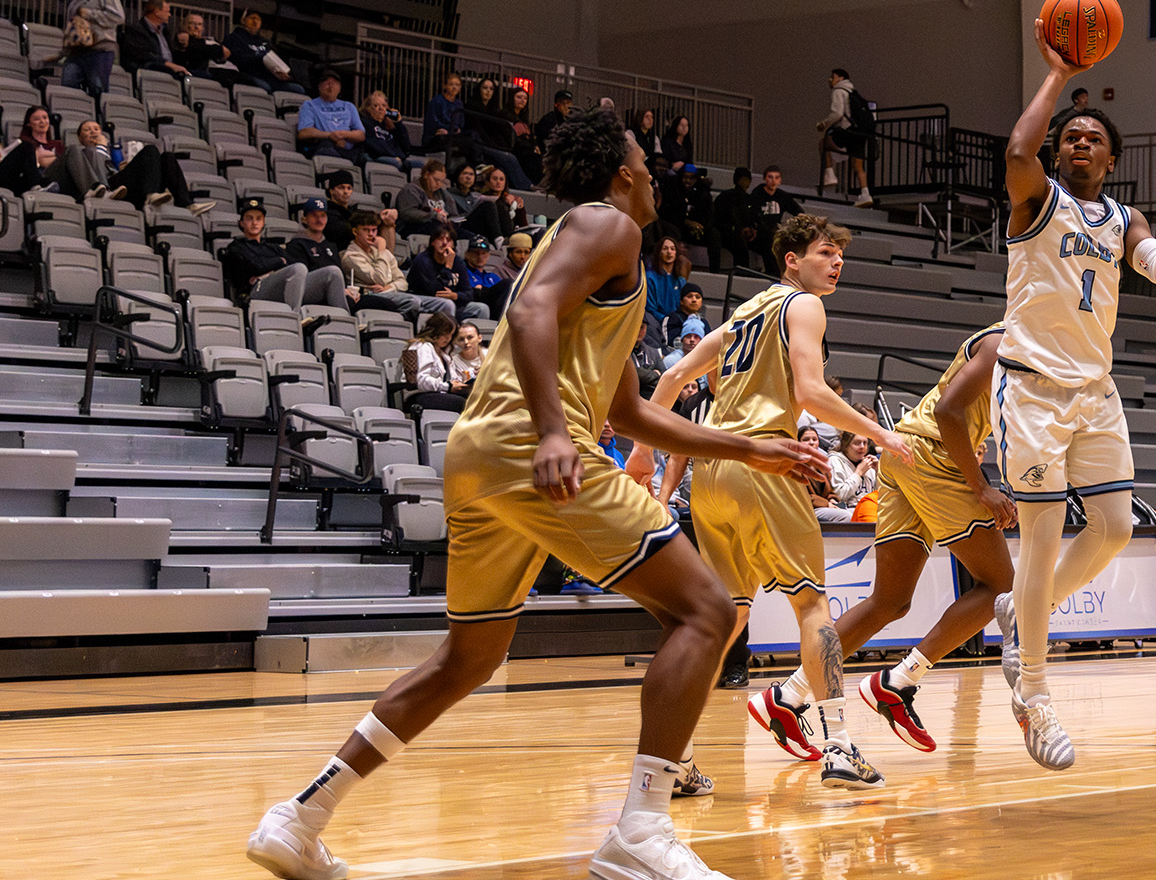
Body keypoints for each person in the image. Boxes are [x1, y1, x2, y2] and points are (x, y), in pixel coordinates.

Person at [248, 105, 827, 880]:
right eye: (644, 163)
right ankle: (642, 828)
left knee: (467, 658)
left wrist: (754, 446)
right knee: (709, 611)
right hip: (535, 448)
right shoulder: (608, 225)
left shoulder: (591, 254)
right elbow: (526, 311)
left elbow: (628, 410)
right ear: (621, 173)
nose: (653, 174)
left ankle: (299, 817)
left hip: (479, 455)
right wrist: (555, 430)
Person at [988, 17, 1156, 772]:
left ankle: (1022, 612)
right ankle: (1033, 693)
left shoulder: (1125, 219)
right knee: (1043, 537)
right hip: (1031, 390)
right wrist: (1058, 74)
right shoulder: (1036, 199)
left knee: (1117, 528)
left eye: (1093, 138)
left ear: (1112, 159)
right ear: (1058, 153)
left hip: (1094, 392)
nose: (1080, 143)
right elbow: (1016, 152)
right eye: (1071, 137)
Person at [648, 212, 908, 791]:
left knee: (725, 617)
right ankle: (839, 745)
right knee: (812, 606)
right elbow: (811, 391)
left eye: (840, 255)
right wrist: (881, 434)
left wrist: (643, 452)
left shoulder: (742, 315)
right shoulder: (804, 305)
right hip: (765, 460)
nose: (837, 263)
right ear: (792, 260)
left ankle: (676, 759)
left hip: (713, 471)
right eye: (825, 253)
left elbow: (671, 380)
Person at [774, 324, 1016, 755]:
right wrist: (981, 487)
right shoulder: (1004, 342)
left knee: (889, 601)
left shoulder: (1021, 346)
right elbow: (947, 411)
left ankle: (788, 695)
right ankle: (899, 681)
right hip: (933, 453)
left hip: (905, 452)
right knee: (1000, 585)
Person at [220, 197, 348, 310]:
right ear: (241, 223)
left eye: (258, 218)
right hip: (255, 291)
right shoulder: (236, 246)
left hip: (280, 287)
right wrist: (280, 261)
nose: (254, 222)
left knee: (333, 272)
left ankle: (344, 319)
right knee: (298, 268)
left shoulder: (271, 246)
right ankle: (294, 316)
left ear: (263, 222)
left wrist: (269, 270)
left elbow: (290, 263)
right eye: (249, 218)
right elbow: (257, 266)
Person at [60, 120, 209, 212]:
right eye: (87, 130)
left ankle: (186, 203)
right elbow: (97, 173)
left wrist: (124, 168)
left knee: (167, 157)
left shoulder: (110, 153)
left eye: (96, 129)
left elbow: (114, 171)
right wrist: (101, 146)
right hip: (106, 189)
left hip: (125, 188)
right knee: (151, 150)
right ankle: (150, 194)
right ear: (79, 137)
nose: (93, 132)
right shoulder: (80, 153)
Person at [340, 210, 458, 322]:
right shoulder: (351, 256)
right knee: (412, 301)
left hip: (392, 292)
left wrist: (389, 287)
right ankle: (405, 329)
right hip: (369, 295)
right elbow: (379, 278)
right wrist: (381, 249)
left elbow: (403, 282)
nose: (371, 234)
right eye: (366, 230)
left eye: (374, 230)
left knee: (446, 304)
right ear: (355, 232)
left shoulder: (383, 253)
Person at [60, 0, 123, 96]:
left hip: (99, 50)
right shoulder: (76, 0)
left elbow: (118, 17)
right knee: (68, 88)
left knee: (97, 90)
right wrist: (64, 51)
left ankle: (97, 110)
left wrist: (89, 14)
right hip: (76, 51)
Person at [283, 198, 359, 307]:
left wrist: (349, 291)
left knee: (372, 302)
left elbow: (341, 276)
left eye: (323, 215)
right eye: (314, 215)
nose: (319, 220)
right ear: (304, 219)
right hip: (310, 295)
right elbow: (300, 280)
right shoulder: (297, 244)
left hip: (334, 293)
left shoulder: (331, 246)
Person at [406, 226, 492, 322]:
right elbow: (437, 292)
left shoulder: (458, 261)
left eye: (448, 240)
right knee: (447, 304)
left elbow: (469, 293)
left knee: (482, 308)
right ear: (432, 242)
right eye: (440, 239)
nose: (444, 243)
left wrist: (455, 295)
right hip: (424, 301)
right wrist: (447, 267)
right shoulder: (422, 260)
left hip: (451, 301)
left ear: (453, 245)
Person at [816, 68, 874, 207]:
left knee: (824, 143)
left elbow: (837, 113)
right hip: (860, 133)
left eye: (833, 77)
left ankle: (829, 174)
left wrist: (823, 124)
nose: (830, 80)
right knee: (858, 166)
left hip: (847, 131)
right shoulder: (854, 92)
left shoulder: (839, 91)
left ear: (841, 78)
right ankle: (865, 194)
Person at [223, 9, 304, 95]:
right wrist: (259, 56)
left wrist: (282, 72)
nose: (255, 22)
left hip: (270, 78)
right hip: (248, 75)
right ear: (243, 20)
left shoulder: (264, 42)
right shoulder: (234, 38)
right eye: (252, 18)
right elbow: (237, 59)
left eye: (258, 20)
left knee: (298, 89)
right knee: (266, 87)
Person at [401, 312, 469, 414]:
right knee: (462, 404)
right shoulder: (422, 347)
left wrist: (460, 384)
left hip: (439, 393)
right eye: (445, 333)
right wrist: (448, 386)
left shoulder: (444, 354)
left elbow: (451, 379)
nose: (448, 338)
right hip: (418, 395)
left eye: (451, 334)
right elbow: (421, 381)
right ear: (435, 330)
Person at [296, 71, 367, 160]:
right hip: (324, 147)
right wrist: (330, 136)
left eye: (334, 82)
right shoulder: (309, 105)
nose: (330, 85)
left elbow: (361, 134)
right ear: (319, 86)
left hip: (350, 151)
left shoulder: (349, 106)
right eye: (327, 82)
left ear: (340, 88)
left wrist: (342, 135)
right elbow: (304, 133)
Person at [118, 0, 189, 79]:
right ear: (157, 12)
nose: (169, 15)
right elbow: (145, 55)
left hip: (167, 68)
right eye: (167, 11)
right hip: (149, 68)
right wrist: (168, 64)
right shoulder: (136, 30)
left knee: (199, 74)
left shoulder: (165, 32)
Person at [750, 167, 803, 273]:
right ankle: (773, 273)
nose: (773, 181)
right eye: (770, 177)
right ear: (765, 178)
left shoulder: (782, 196)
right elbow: (751, 214)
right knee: (770, 244)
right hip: (760, 233)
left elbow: (798, 211)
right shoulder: (757, 194)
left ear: (780, 180)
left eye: (776, 177)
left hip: (775, 232)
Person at [0, 106, 62, 195]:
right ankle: (35, 187)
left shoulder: (58, 144)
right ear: (29, 124)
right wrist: (51, 157)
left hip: (43, 180)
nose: (42, 121)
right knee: (27, 146)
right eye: (37, 119)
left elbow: (51, 162)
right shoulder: (23, 144)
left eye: (45, 118)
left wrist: (44, 157)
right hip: (14, 179)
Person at [711, 166, 761, 271]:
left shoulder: (750, 199)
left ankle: (773, 272)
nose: (745, 182)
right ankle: (742, 273)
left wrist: (753, 229)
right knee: (739, 243)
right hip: (728, 232)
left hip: (746, 233)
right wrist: (737, 229)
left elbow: (754, 217)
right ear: (737, 180)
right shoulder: (725, 197)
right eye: (743, 179)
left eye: (747, 180)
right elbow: (719, 218)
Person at [359, 91, 422, 173]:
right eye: (376, 106)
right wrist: (394, 155)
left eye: (384, 105)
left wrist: (398, 123)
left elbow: (406, 148)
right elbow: (373, 146)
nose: (381, 108)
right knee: (397, 163)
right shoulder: (365, 123)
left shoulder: (390, 126)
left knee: (422, 165)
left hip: (397, 158)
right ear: (368, 108)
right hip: (378, 157)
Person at [444, 161, 505, 244]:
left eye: (471, 174)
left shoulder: (474, 195)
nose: (468, 177)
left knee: (499, 205)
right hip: (461, 225)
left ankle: (508, 237)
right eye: (465, 173)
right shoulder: (448, 194)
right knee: (488, 205)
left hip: (477, 225)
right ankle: (499, 240)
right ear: (457, 176)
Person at [395, 159, 456, 239]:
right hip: (415, 227)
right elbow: (407, 213)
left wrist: (451, 221)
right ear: (426, 175)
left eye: (442, 181)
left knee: (467, 236)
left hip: (441, 227)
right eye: (436, 180)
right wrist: (433, 215)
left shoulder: (443, 193)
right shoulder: (410, 190)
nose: (438, 184)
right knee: (437, 228)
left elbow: (453, 213)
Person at [174, 10, 236, 83]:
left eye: (199, 24)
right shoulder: (181, 36)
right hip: (191, 74)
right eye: (192, 23)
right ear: (185, 25)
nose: (196, 27)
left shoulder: (208, 40)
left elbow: (226, 52)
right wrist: (212, 49)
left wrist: (203, 47)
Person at [827, 431, 879, 509]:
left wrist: (878, 472)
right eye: (857, 443)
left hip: (871, 507)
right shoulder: (835, 461)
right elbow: (839, 496)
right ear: (846, 445)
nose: (862, 447)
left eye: (865, 443)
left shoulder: (869, 464)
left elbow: (880, 495)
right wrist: (858, 473)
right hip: (848, 509)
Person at [478, 164, 529, 235]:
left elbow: (523, 226)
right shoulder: (482, 199)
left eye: (501, 179)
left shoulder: (511, 200)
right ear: (488, 182)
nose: (498, 182)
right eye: (495, 179)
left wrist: (520, 209)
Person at [461, 238, 507, 315]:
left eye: (483, 253)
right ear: (467, 254)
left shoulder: (493, 277)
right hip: (476, 306)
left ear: (488, 255)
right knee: (506, 283)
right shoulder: (463, 272)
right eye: (475, 253)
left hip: (496, 308)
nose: (480, 257)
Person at [320, 172, 359, 250]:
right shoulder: (326, 212)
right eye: (341, 188)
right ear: (331, 190)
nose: (346, 192)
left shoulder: (353, 211)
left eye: (349, 188)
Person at [447, 321, 485, 389]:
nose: (466, 342)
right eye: (461, 339)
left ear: (479, 338)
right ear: (455, 341)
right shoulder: (453, 361)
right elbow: (456, 387)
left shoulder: (490, 355)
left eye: (470, 337)